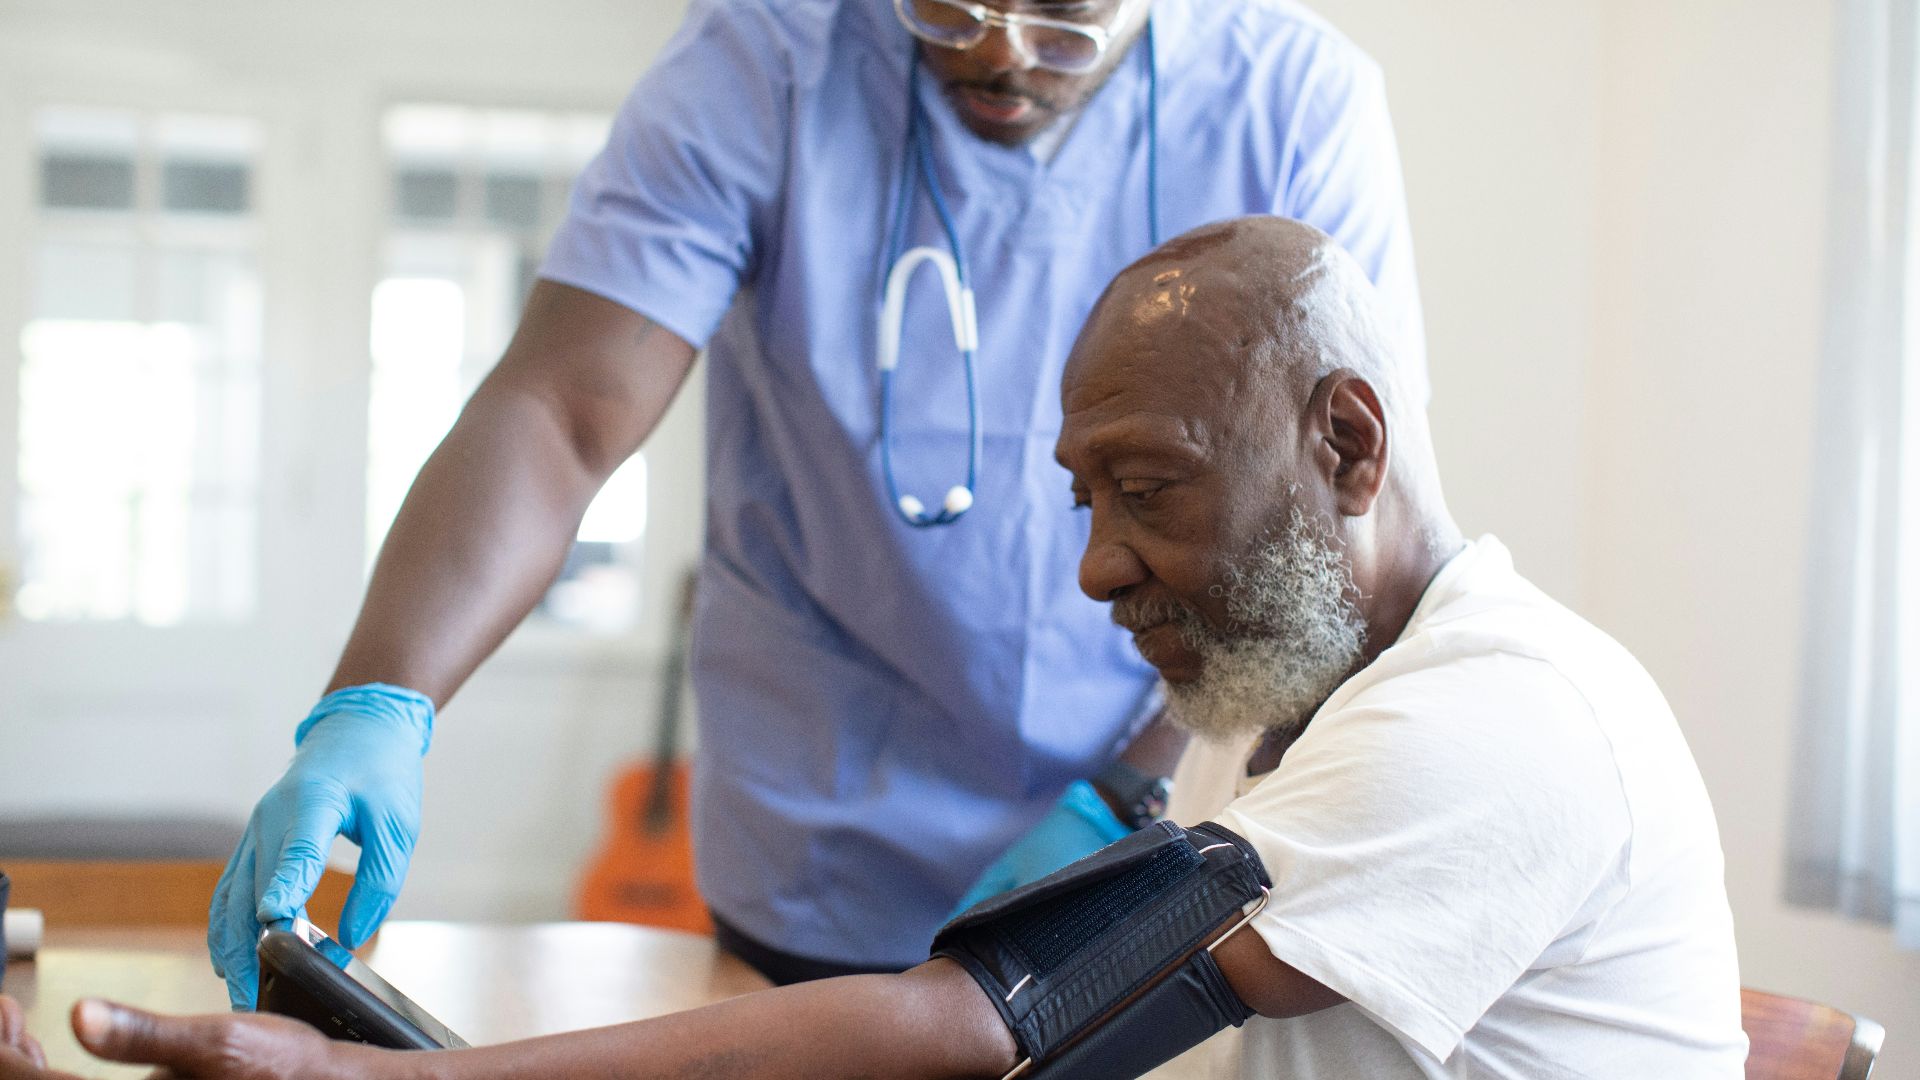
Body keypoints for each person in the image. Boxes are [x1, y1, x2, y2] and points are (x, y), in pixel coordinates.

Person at [5, 218, 1743, 1080]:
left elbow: (997, 1025)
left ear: (1352, 449)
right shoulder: (1320, 705)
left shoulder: (1497, 722)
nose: (1094, 568)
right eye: (1078, 499)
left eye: (1145, 491)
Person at [207, 0, 1429, 1002]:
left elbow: (1329, 519)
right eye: (949, 4)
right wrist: (381, 696)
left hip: (1136, 831)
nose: (999, 53)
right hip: (816, 834)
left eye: (1064, 22)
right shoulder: (766, 57)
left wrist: (1133, 789)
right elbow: (563, 412)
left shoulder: (1293, 102)